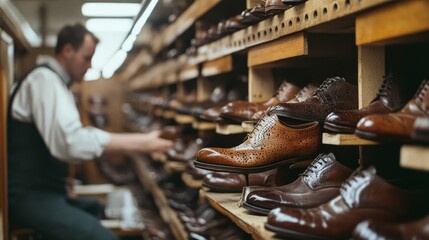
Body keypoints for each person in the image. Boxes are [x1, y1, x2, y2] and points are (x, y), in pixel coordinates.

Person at [7, 23, 173, 240]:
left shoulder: (55, 82)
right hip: (28, 197)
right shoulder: (44, 81)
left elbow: (49, 142)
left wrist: (59, 180)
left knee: (96, 207)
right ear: (67, 51)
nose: (90, 65)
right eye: (86, 57)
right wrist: (142, 143)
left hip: (44, 190)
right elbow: (70, 142)